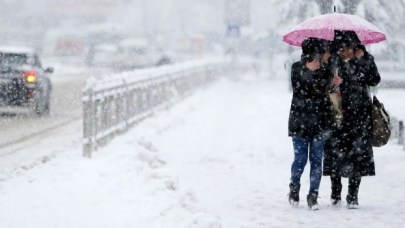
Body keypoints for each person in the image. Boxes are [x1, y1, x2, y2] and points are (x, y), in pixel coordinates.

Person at [323, 31, 381, 209]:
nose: (345, 52)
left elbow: (374, 80)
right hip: (337, 115)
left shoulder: (364, 59)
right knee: (335, 154)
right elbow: (322, 86)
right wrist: (333, 83)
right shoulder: (332, 62)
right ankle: (335, 191)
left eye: (348, 48)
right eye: (341, 48)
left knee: (357, 156)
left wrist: (364, 60)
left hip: (359, 117)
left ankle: (353, 194)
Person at [288, 38, 335, 210]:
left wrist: (334, 86)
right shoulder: (296, 68)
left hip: (320, 122)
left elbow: (326, 96)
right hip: (300, 122)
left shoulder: (327, 70)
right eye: (326, 51)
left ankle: (313, 195)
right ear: (317, 53)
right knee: (300, 159)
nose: (329, 54)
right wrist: (307, 72)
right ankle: (294, 188)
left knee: (316, 160)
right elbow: (298, 90)